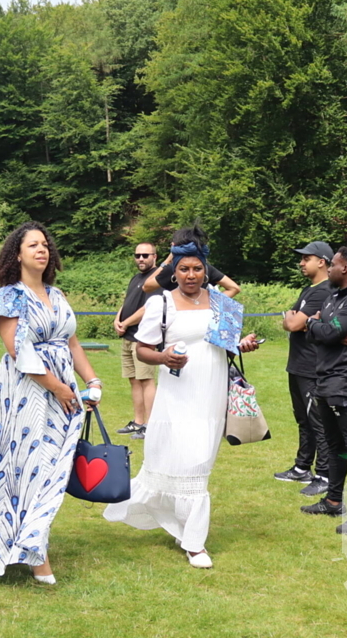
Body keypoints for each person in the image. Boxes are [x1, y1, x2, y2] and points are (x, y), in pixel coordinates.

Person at [0, 221, 101, 584]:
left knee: (51, 469)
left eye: (45, 245)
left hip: (62, 394)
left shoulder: (58, 294)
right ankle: (33, 554)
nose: (41, 250)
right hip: (24, 395)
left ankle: (29, 542)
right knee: (24, 466)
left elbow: (72, 343)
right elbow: (18, 351)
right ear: (16, 253)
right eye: (33, 245)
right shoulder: (9, 296)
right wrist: (58, 388)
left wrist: (91, 380)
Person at [104, 226, 259, 569]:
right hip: (176, 393)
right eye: (184, 269)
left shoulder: (221, 302)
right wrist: (163, 358)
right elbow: (143, 350)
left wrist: (243, 344)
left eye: (197, 269)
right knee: (176, 457)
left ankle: (190, 534)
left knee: (199, 460)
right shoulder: (160, 303)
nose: (190, 275)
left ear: (206, 271)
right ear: (174, 271)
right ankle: (192, 540)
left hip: (211, 391)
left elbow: (227, 343)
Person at [300, 246, 347, 536]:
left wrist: (315, 324)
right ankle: (334, 500)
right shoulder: (333, 297)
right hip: (326, 381)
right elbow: (322, 334)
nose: (328, 268)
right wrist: (318, 325)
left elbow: (328, 332)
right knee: (334, 446)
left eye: (332, 264)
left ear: (345, 268)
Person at [276, 241, 334, 497]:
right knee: (303, 420)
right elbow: (295, 321)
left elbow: (294, 323)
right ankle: (302, 468)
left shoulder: (323, 291)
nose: (301, 262)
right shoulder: (309, 290)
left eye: (306, 258)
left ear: (321, 261)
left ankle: (324, 475)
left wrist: (291, 317)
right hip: (298, 365)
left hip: (312, 367)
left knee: (318, 421)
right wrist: (293, 318)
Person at [114, 242, 159, 440]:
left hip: (144, 339)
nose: (141, 259)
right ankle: (138, 422)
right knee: (134, 381)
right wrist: (117, 320)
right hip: (128, 337)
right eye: (137, 255)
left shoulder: (156, 278)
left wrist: (125, 323)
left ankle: (151, 424)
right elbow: (128, 302)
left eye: (145, 255)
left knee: (146, 380)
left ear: (155, 257)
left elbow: (149, 308)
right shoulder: (136, 278)